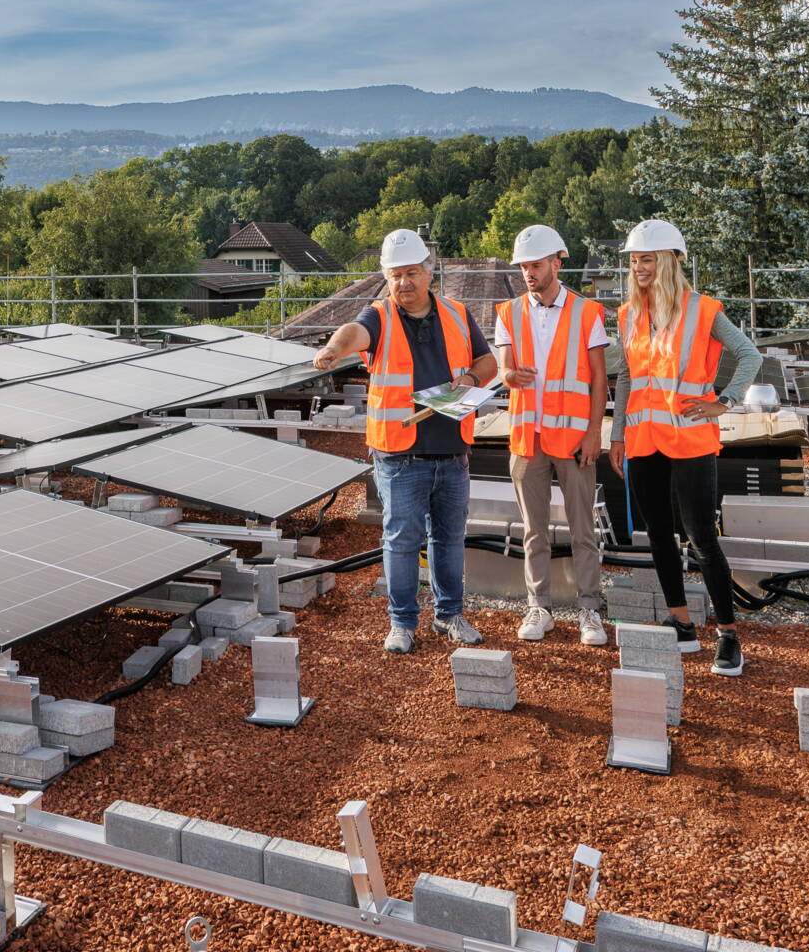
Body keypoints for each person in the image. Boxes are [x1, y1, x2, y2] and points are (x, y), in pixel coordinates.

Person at [312, 228, 498, 654]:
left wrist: (469, 378)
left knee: (449, 539)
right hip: (399, 455)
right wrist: (332, 350)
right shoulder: (379, 316)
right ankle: (402, 622)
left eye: (411, 273)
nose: (403, 283)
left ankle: (450, 615)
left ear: (428, 272)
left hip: (452, 452)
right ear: (386, 277)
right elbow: (352, 334)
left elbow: (487, 361)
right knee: (400, 540)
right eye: (395, 275)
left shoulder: (457, 313)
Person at [615, 218, 762, 676]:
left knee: (700, 537)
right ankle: (681, 625)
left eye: (646, 259)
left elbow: (750, 354)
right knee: (658, 534)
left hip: (690, 439)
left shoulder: (702, 310)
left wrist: (724, 402)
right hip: (643, 440)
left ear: (669, 261)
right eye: (634, 260)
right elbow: (626, 376)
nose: (638, 267)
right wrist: (617, 433)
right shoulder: (628, 314)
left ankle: (727, 634)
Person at [492, 224, 611, 646]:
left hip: (576, 439)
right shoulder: (508, 313)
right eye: (524, 266)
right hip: (527, 438)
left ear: (556, 263)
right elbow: (506, 370)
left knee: (583, 530)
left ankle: (590, 610)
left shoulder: (587, 312)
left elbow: (599, 380)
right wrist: (508, 374)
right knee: (533, 530)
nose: (528, 272)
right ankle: (538, 606)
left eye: (536, 265)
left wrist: (595, 431)